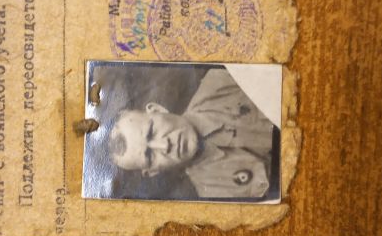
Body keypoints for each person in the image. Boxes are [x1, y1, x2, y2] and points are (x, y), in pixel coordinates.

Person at [107, 68, 277, 199]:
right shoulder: (214, 197)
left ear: (157, 110)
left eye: (152, 132)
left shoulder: (222, 80)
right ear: (153, 171)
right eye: (150, 155)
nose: (165, 145)